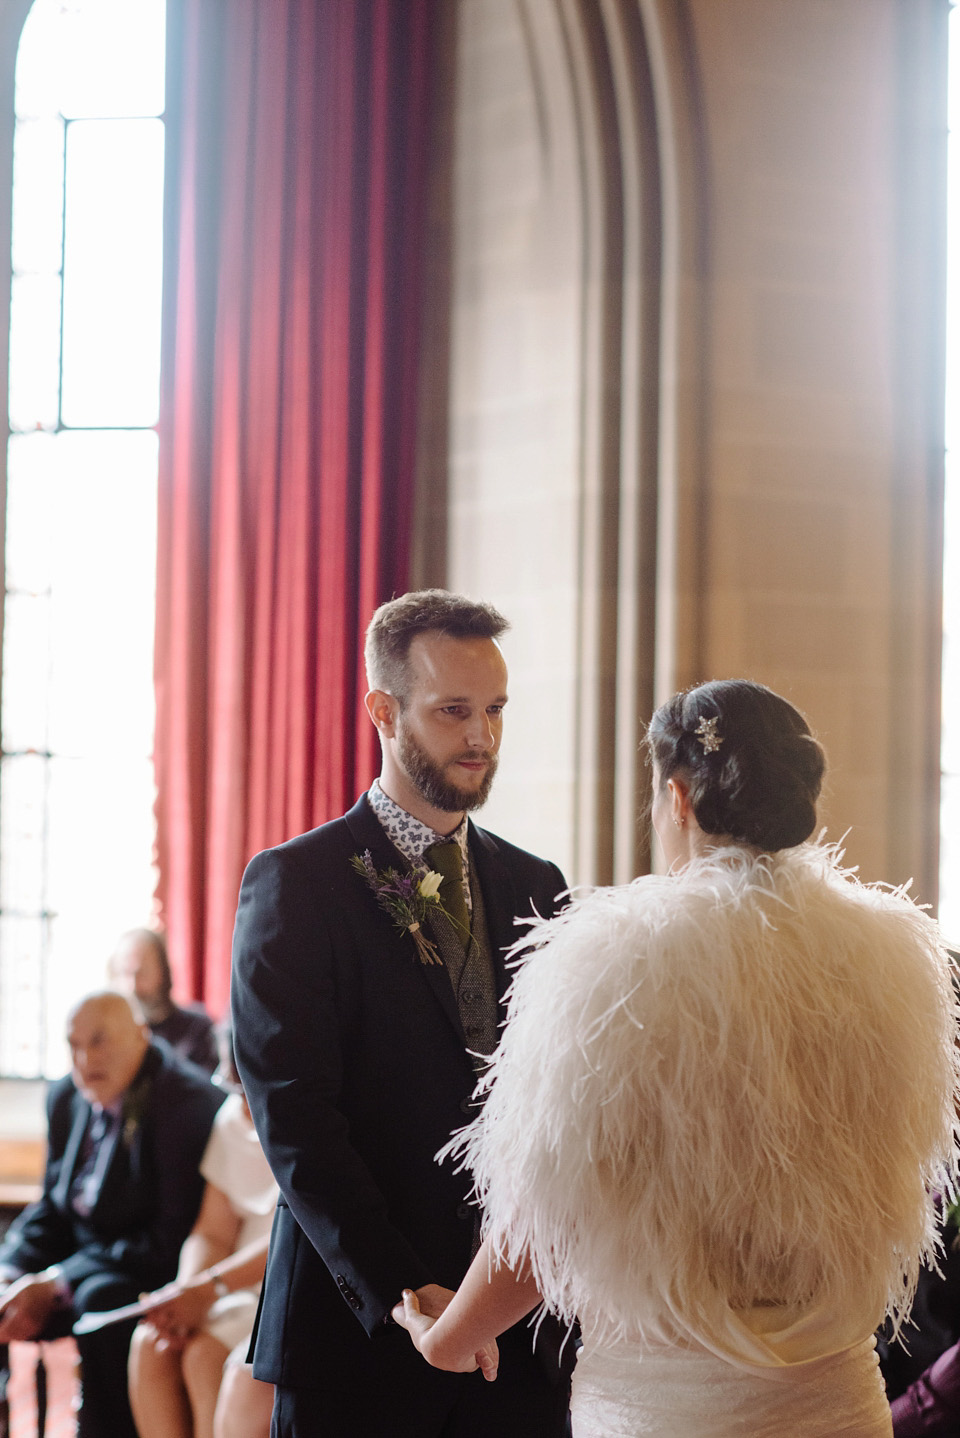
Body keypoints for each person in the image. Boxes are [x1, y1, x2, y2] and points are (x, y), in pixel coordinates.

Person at [393, 679, 960, 1438]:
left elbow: (543, 1219)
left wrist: (451, 1335)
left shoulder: (615, 959)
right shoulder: (901, 959)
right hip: (838, 1404)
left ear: (679, 797)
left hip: (669, 1407)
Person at [231, 589, 572, 1436]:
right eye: (453, 710)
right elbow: (297, 1120)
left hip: (517, 1335)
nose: (482, 736)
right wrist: (402, 1288)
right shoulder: (296, 884)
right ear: (384, 711)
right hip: (358, 1332)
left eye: (494, 710)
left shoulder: (538, 885)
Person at [0, 991, 223, 1438]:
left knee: (102, 1299)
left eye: (99, 1041)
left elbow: (168, 1239)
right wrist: (13, 1268)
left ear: (142, 1036)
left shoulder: (187, 1105)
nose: (85, 1059)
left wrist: (58, 1282)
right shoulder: (66, 1095)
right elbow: (54, 1206)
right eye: (74, 1044)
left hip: (149, 1268)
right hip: (85, 1255)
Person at [128, 1026, 277, 1438]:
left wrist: (208, 1289)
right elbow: (211, 1231)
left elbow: (292, 1239)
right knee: (151, 1345)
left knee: (203, 1355)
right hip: (227, 1287)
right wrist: (185, 1290)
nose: (242, 1105)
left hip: (278, 1287)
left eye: (250, 1091)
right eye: (233, 1088)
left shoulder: (308, 1124)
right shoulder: (232, 1117)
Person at [111, 928, 218, 1073]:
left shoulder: (198, 1028)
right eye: (125, 974)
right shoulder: (110, 1038)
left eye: (142, 973)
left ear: (163, 972)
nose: (133, 987)